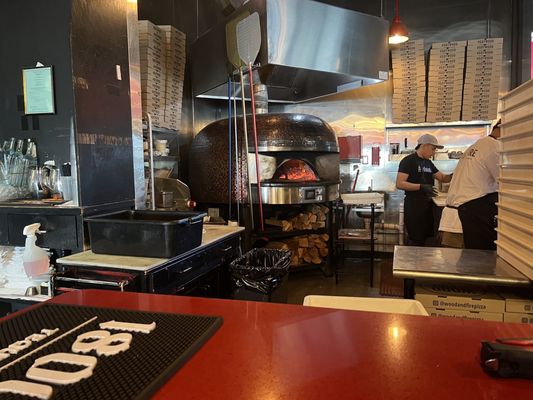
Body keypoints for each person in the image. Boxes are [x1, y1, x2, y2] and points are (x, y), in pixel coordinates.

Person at [441, 120, 501, 250]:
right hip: (467, 220)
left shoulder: (479, 145)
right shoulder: (495, 147)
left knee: (457, 266)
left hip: (457, 218)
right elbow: (505, 182)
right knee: (469, 266)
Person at [396, 134, 452, 246]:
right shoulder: (408, 161)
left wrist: (458, 173)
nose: (434, 152)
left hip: (427, 205)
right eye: (433, 149)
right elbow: (399, 183)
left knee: (426, 237)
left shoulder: (428, 163)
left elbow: (442, 178)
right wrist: (421, 187)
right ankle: (412, 262)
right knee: (416, 239)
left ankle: (422, 262)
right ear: (424, 146)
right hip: (414, 206)